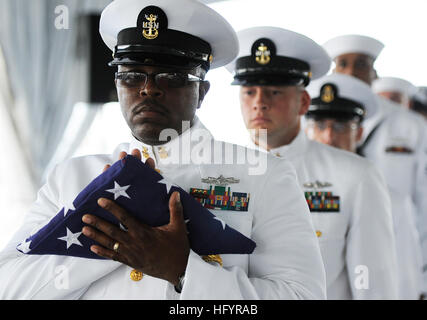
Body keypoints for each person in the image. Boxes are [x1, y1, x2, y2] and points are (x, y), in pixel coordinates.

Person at [0, 0, 326, 300]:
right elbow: (9, 285)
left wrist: (183, 270)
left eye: (170, 76)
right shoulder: (72, 176)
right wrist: (110, 247)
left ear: (202, 92)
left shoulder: (263, 175)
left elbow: (302, 295)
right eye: (131, 76)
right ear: (117, 86)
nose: (148, 88)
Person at [228, 26, 398, 299]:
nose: (259, 103)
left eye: (274, 92)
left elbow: (372, 278)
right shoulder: (221, 172)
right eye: (249, 92)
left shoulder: (355, 176)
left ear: (304, 102)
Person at [323, 34, 427, 297]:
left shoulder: (410, 125)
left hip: (399, 241)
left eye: (361, 64)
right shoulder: (313, 120)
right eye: (342, 64)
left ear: (374, 73)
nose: (350, 72)